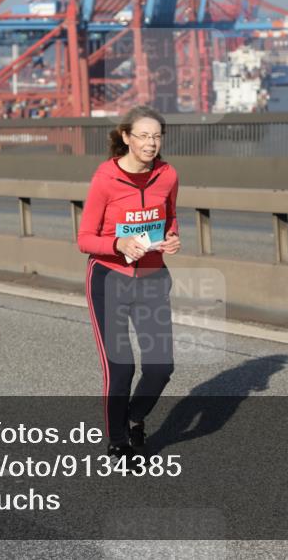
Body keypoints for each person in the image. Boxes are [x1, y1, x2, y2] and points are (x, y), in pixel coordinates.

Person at [77, 105, 181, 462]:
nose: (151, 144)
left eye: (156, 136)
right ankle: (118, 440)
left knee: (160, 368)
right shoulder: (105, 179)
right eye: (143, 136)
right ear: (126, 137)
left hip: (153, 279)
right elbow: (85, 238)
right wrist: (118, 244)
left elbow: (170, 219)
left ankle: (135, 418)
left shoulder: (167, 175)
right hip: (109, 279)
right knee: (121, 368)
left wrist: (172, 238)